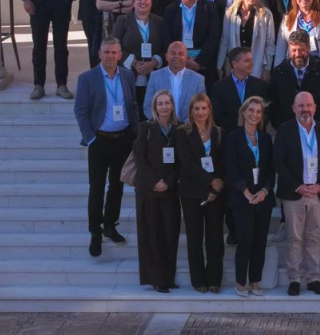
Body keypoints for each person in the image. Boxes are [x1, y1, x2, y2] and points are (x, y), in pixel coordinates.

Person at [74, 38, 138, 257]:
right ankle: (95, 231)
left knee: (117, 187)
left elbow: (132, 105)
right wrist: (90, 138)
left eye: (114, 52)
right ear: (99, 54)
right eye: (106, 52)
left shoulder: (127, 75)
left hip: (122, 140)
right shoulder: (87, 78)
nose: (110, 56)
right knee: (97, 188)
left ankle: (110, 225)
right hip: (99, 141)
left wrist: (135, 133)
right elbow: (80, 111)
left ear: (120, 55)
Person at [273, 91, 320, 297]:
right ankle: (294, 279)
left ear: (315, 107)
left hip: (317, 193)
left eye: (308, 105)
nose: (305, 109)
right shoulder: (284, 130)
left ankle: (313, 278)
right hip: (295, 193)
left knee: (314, 237)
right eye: (300, 106)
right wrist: (297, 186)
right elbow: (279, 162)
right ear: (293, 108)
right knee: (294, 238)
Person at [176, 93, 226, 293]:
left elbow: (222, 162)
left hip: (216, 193)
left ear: (209, 110)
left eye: (204, 108)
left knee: (214, 237)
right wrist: (209, 182)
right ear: (190, 111)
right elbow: (186, 164)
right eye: (196, 108)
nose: (200, 112)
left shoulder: (219, 132)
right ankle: (198, 280)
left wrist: (215, 187)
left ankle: (214, 279)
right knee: (194, 237)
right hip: (191, 192)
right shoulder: (182, 132)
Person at [132, 90, 180, 293]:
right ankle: (156, 279)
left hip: (170, 190)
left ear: (172, 106)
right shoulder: (146, 127)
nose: (164, 107)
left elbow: (182, 160)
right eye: (160, 103)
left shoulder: (178, 130)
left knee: (170, 233)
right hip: (149, 190)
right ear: (154, 106)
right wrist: (155, 181)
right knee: (151, 234)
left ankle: (168, 277)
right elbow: (139, 159)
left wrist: (168, 182)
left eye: (167, 103)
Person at [111, 0, 167, 117]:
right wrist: (134, 62)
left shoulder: (160, 22)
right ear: (133, 3)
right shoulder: (123, 21)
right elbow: (114, 46)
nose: (143, 2)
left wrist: (154, 62)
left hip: (153, 77)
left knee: (150, 114)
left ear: (151, 2)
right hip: (129, 76)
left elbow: (165, 47)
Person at [269, 30, 320, 129]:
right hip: (287, 131)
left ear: (309, 48)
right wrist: (281, 127)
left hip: (316, 130)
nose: (297, 54)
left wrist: (319, 127)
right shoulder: (279, 72)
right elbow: (272, 102)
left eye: (301, 50)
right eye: (294, 50)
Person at [163, 0, 221, 86]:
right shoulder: (170, 9)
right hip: (177, 63)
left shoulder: (210, 8)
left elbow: (213, 37)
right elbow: (166, 37)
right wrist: (181, 60)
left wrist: (199, 62)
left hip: (203, 64)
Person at [219, 0, 277, 81]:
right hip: (235, 67)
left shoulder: (266, 15)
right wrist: (220, 66)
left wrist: (267, 69)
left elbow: (270, 44)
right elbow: (225, 41)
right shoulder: (230, 14)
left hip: (257, 67)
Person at [209, 47, 270, 139]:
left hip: (256, 136)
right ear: (235, 63)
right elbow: (217, 116)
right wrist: (239, 128)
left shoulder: (261, 86)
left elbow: (267, 113)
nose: (252, 64)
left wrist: (251, 126)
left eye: (251, 60)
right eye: (247, 61)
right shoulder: (218, 87)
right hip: (229, 138)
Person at [145, 41, 208, 121]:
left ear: (187, 58)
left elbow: (201, 108)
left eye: (181, 54)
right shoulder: (155, 76)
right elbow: (148, 106)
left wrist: (185, 127)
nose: (176, 56)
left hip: (188, 129)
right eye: (173, 53)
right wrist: (162, 124)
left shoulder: (198, 79)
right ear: (166, 57)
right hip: (161, 128)